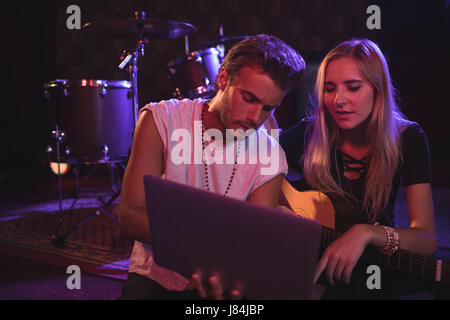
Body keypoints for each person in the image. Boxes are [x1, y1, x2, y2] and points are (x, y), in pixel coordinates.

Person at [116, 34, 306, 299]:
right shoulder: (161, 119)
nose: (256, 118)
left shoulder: (271, 152)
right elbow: (130, 217)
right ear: (223, 79)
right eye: (249, 99)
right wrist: (216, 245)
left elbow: (255, 238)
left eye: (268, 108)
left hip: (226, 283)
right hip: (156, 278)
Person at [279, 38, 437, 298]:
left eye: (353, 87)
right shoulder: (310, 132)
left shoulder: (408, 138)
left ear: (378, 90)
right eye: (329, 89)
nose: (338, 100)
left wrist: (366, 232)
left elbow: (427, 239)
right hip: (308, 259)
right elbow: (249, 165)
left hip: (373, 265)